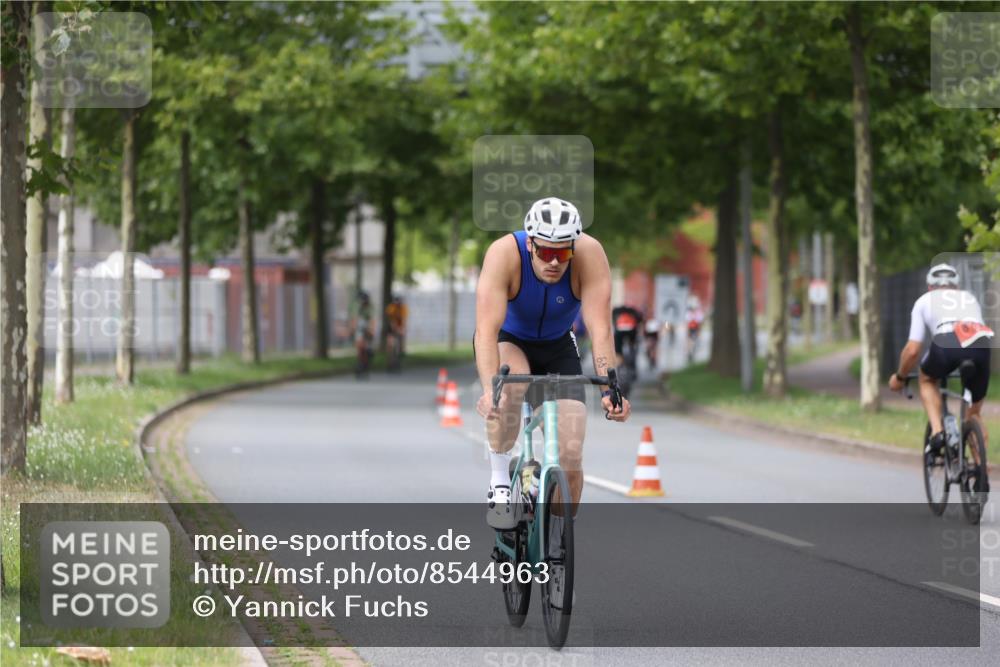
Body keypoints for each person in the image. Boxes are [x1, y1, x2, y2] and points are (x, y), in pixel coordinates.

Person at [474, 196, 632, 530]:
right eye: (546, 252)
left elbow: (601, 329)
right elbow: (485, 331)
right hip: (509, 339)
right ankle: (500, 479)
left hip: (559, 344)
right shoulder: (504, 254)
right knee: (511, 386)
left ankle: (552, 542)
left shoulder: (590, 255)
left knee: (571, 459)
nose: (555, 262)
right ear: (530, 243)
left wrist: (611, 387)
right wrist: (491, 389)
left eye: (563, 253)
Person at [888, 263, 993, 461]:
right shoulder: (969, 298)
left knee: (926, 379)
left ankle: (937, 433)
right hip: (981, 344)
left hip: (947, 342)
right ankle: (981, 475)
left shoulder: (924, 301)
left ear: (930, 286)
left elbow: (912, 350)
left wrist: (900, 377)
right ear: (957, 286)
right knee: (973, 414)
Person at [611, 303, 643, 371]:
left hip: (619, 330)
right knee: (633, 344)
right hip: (631, 330)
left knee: (618, 348)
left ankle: (619, 362)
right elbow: (639, 320)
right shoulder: (633, 310)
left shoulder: (617, 311)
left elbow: (613, 320)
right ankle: (632, 354)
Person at [351, 291, 375, 376]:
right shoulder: (357, 307)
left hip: (368, 328)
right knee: (359, 346)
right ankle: (360, 362)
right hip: (360, 329)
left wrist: (371, 330)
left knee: (367, 347)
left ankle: (367, 361)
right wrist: (353, 328)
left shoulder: (370, 308)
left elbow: (372, 320)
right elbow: (355, 319)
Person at [385, 293, 408, 368]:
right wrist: (394, 328)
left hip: (400, 326)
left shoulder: (403, 308)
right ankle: (390, 361)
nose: (398, 304)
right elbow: (391, 320)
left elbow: (404, 320)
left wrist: (401, 330)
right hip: (391, 327)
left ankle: (401, 351)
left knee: (401, 338)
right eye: (396, 303)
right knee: (390, 344)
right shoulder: (391, 307)